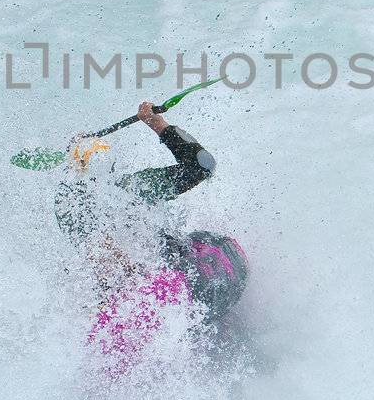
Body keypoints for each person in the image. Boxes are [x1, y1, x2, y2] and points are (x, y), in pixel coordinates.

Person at [55, 101, 249, 377]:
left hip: (207, 271)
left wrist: (157, 124)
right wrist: (154, 123)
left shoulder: (116, 194)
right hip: (216, 267)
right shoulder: (126, 190)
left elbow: (202, 166)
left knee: (152, 296)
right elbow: (203, 165)